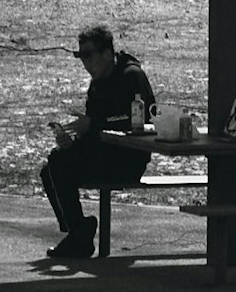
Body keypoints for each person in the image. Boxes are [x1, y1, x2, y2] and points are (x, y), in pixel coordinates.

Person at [39, 20, 157, 267]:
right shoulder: (96, 84)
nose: (85, 63)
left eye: (89, 56)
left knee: (59, 165)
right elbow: (95, 128)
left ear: (107, 53)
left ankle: (79, 233)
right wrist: (73, 141)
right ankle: (77, 229)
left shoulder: (131, 76)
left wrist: (93, 125)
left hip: (129, 158)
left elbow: (133, 120)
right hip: (104, 153)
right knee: (52, 166)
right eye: (80, 56)